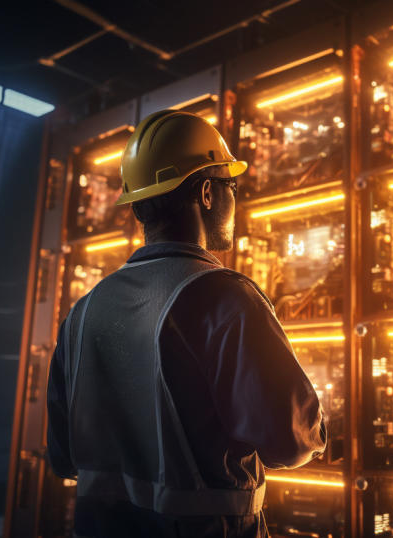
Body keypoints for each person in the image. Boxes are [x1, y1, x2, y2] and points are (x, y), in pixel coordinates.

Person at [46, 110, 327, 538]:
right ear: (208, 193)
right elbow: (291, 443)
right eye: (231, 186)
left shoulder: (83, 313)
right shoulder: (227, 299)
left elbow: (65, 458)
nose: (236, 199)